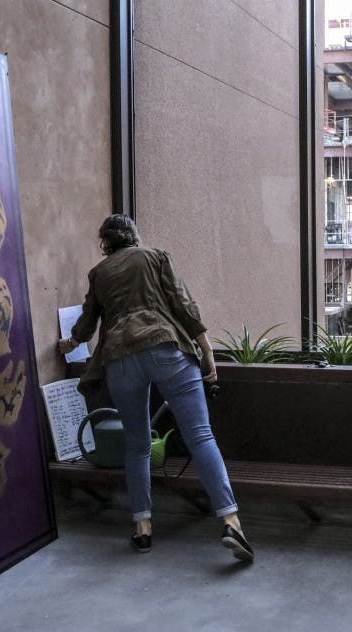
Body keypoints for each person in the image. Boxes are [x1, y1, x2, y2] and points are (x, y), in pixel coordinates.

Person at [57, 214, 253, 562]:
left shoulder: (99, 273)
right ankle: (230, 522)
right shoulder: (156, 256)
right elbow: (183, 302)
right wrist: (206, 348)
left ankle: (142, 528)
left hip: (119, 359)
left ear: (105, 243)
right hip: (166, 346)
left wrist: (68, 344)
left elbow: (87, 324)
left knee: (137, 446)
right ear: (134, 236)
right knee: (200, 435)